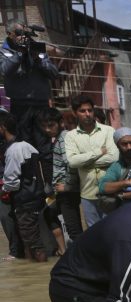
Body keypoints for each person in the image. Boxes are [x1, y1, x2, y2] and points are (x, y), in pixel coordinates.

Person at [0, 19, 59, 152]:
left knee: (44, 144)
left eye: (24, 33)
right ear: (9, 34)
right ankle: (28, 172)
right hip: (21, 105)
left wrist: (39, 61)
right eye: (19, 33)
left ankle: (45, 172)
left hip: (41, 104)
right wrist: (19, 54)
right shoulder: (4, 51)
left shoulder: (37, 49)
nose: (23, 36)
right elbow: (4, 70)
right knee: (23, 145)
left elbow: (54, 73)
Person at [64, 95, 119, 227]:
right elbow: (72, 162)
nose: (87, 114)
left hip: (110, 191)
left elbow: (114, 157)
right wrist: (99, 152)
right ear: (75, 113)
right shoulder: (70, 136)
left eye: (90, 110)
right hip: (87, 193)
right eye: (82, 111)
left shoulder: (108, 131)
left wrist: (84, 161)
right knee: (94, 232)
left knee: (112, 228)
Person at [0, 110, 47, 261]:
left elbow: (12, 182)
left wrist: (2, 191)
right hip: (36, 196)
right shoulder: (28, 146)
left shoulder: (12, 151)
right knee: (31, 241)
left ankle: (41, 273)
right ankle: (36, 271)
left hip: (24, 200)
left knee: (33, 243)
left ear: (2, 128)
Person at [43, 107, 82, 242]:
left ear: (60, 123)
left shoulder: (64, 138)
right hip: (65, 190)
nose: (47, 130)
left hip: (67, 191)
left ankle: (79, 259)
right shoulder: (59, 138)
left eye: (50, 126)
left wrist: (67, 187)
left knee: (73, 229)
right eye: (44, 126)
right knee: (73, 226)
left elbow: (71, 163)